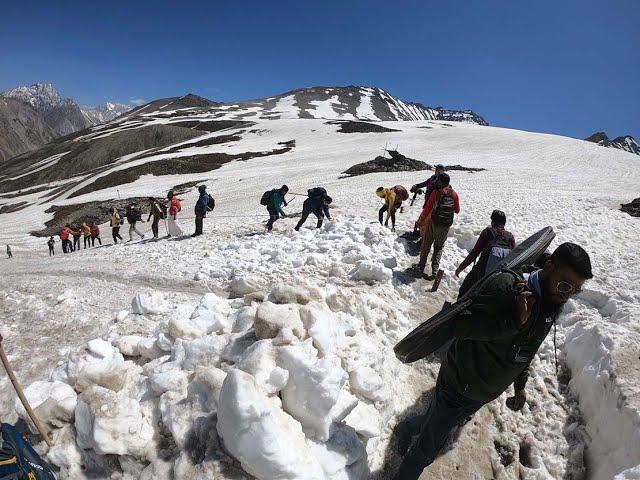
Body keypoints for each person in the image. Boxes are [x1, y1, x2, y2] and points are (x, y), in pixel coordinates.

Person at [394, 243, 593, 479]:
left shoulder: (551, 303)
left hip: (482, 393)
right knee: (427, 450)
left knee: (440, 421)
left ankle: (406, 428)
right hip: (458, 385)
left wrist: (520, 386)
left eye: (575, 291)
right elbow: (459, 324)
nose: (566, 295)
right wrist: (511, 323)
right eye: (564, 285)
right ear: (549, 266)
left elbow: (528, 348)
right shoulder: (508, 288)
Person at [455, 210, 516, 297]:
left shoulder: (487, 232)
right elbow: (514, 257)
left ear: (493, 221)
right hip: (500, 275)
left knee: (464, 290)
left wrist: (460, 268)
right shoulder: (510, 237)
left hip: (482, 274)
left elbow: (474, 253)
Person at [412, 173, 460, 280]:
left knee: (426, 244)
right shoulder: (454, 194)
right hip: (445, 226)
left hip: (433, 223)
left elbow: (427, 209)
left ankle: (421, 267)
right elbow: (457, 211)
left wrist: (420, 221)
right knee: (439, 247)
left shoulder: (436, 192)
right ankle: (434, 271)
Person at [410, 164, 446, 236]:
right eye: (436, 169)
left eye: (438, 169)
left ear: (442, 171)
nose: (436, 171)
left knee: (427, 221)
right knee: (424, 219)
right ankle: (421, 233)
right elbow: (425, 183)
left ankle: (424, 237)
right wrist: (416, 185)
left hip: (434, 204)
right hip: (428, 201)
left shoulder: (442, 181)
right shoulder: (433, 177)